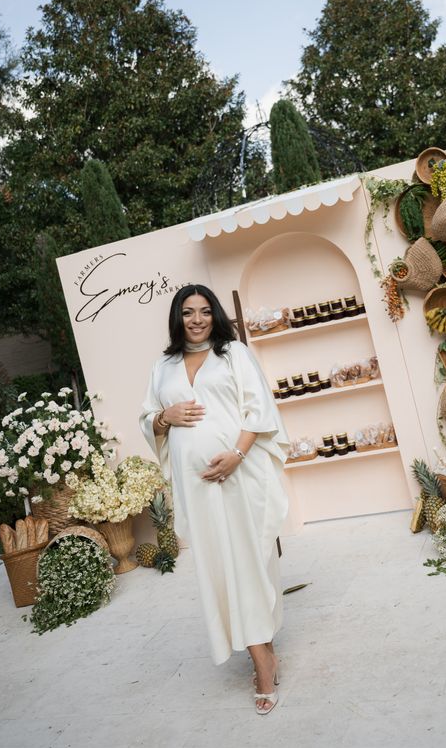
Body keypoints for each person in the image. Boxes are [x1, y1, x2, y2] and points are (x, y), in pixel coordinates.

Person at [139, 284, 289, 715]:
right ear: (178, 317)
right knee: (222, 567)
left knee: (247, 561)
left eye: (205, 311)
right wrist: (163, 417)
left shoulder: (233, 354)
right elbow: (148, 418)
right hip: (196, 486)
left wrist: (237, 456)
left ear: (215, 314)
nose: (198, 319)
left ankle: (262, 662)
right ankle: (264, 650)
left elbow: (258, 410)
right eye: (189, 313)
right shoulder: (163, 365)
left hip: (239, 475)